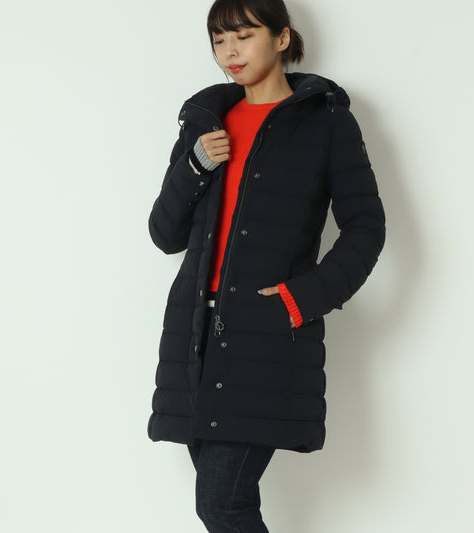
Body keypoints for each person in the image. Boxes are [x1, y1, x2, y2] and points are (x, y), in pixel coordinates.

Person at [146, 0, 385, 530]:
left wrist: (303, 298)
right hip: (194, 337)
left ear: (281, 39)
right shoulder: (204, 125)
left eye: (243, 35)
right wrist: (196, 164)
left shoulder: (326, 124)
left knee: (221, 504)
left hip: (266, 334)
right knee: (225, 505)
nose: (229, 52)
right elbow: (165, 234)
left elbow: (366, 227)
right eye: (218, 40)